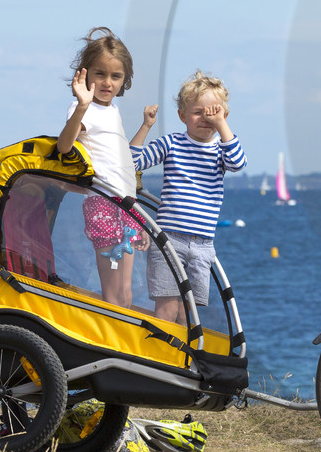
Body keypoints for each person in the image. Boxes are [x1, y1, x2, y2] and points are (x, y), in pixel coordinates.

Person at [129, 71, 247, 325]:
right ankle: (161, 359)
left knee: (188, 313)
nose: (206, 118)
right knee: (166, 310)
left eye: (213, 112)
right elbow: (133, 161)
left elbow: (238, 163)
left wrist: (221, 125)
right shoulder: (172, 143)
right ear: (182, 116)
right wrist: (146, 126)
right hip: (169, 239)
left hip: (203, 245)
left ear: (224, 116)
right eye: (197, 112)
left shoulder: (220, 151)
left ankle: (182, 362)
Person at [57, 26, 148, 309]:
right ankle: (114, 346)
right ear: (85, 74)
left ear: (125, 80)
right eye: (100, 74)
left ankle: (124, 349)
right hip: (104, 206)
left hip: (127, 206)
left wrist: (140, 219)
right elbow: (63, 146)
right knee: (113, 294)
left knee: (127, 293)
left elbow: (122, 168)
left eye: (116, 76)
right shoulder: (82, 108)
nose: (108, 82)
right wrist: (82, 106)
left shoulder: (114, 111)